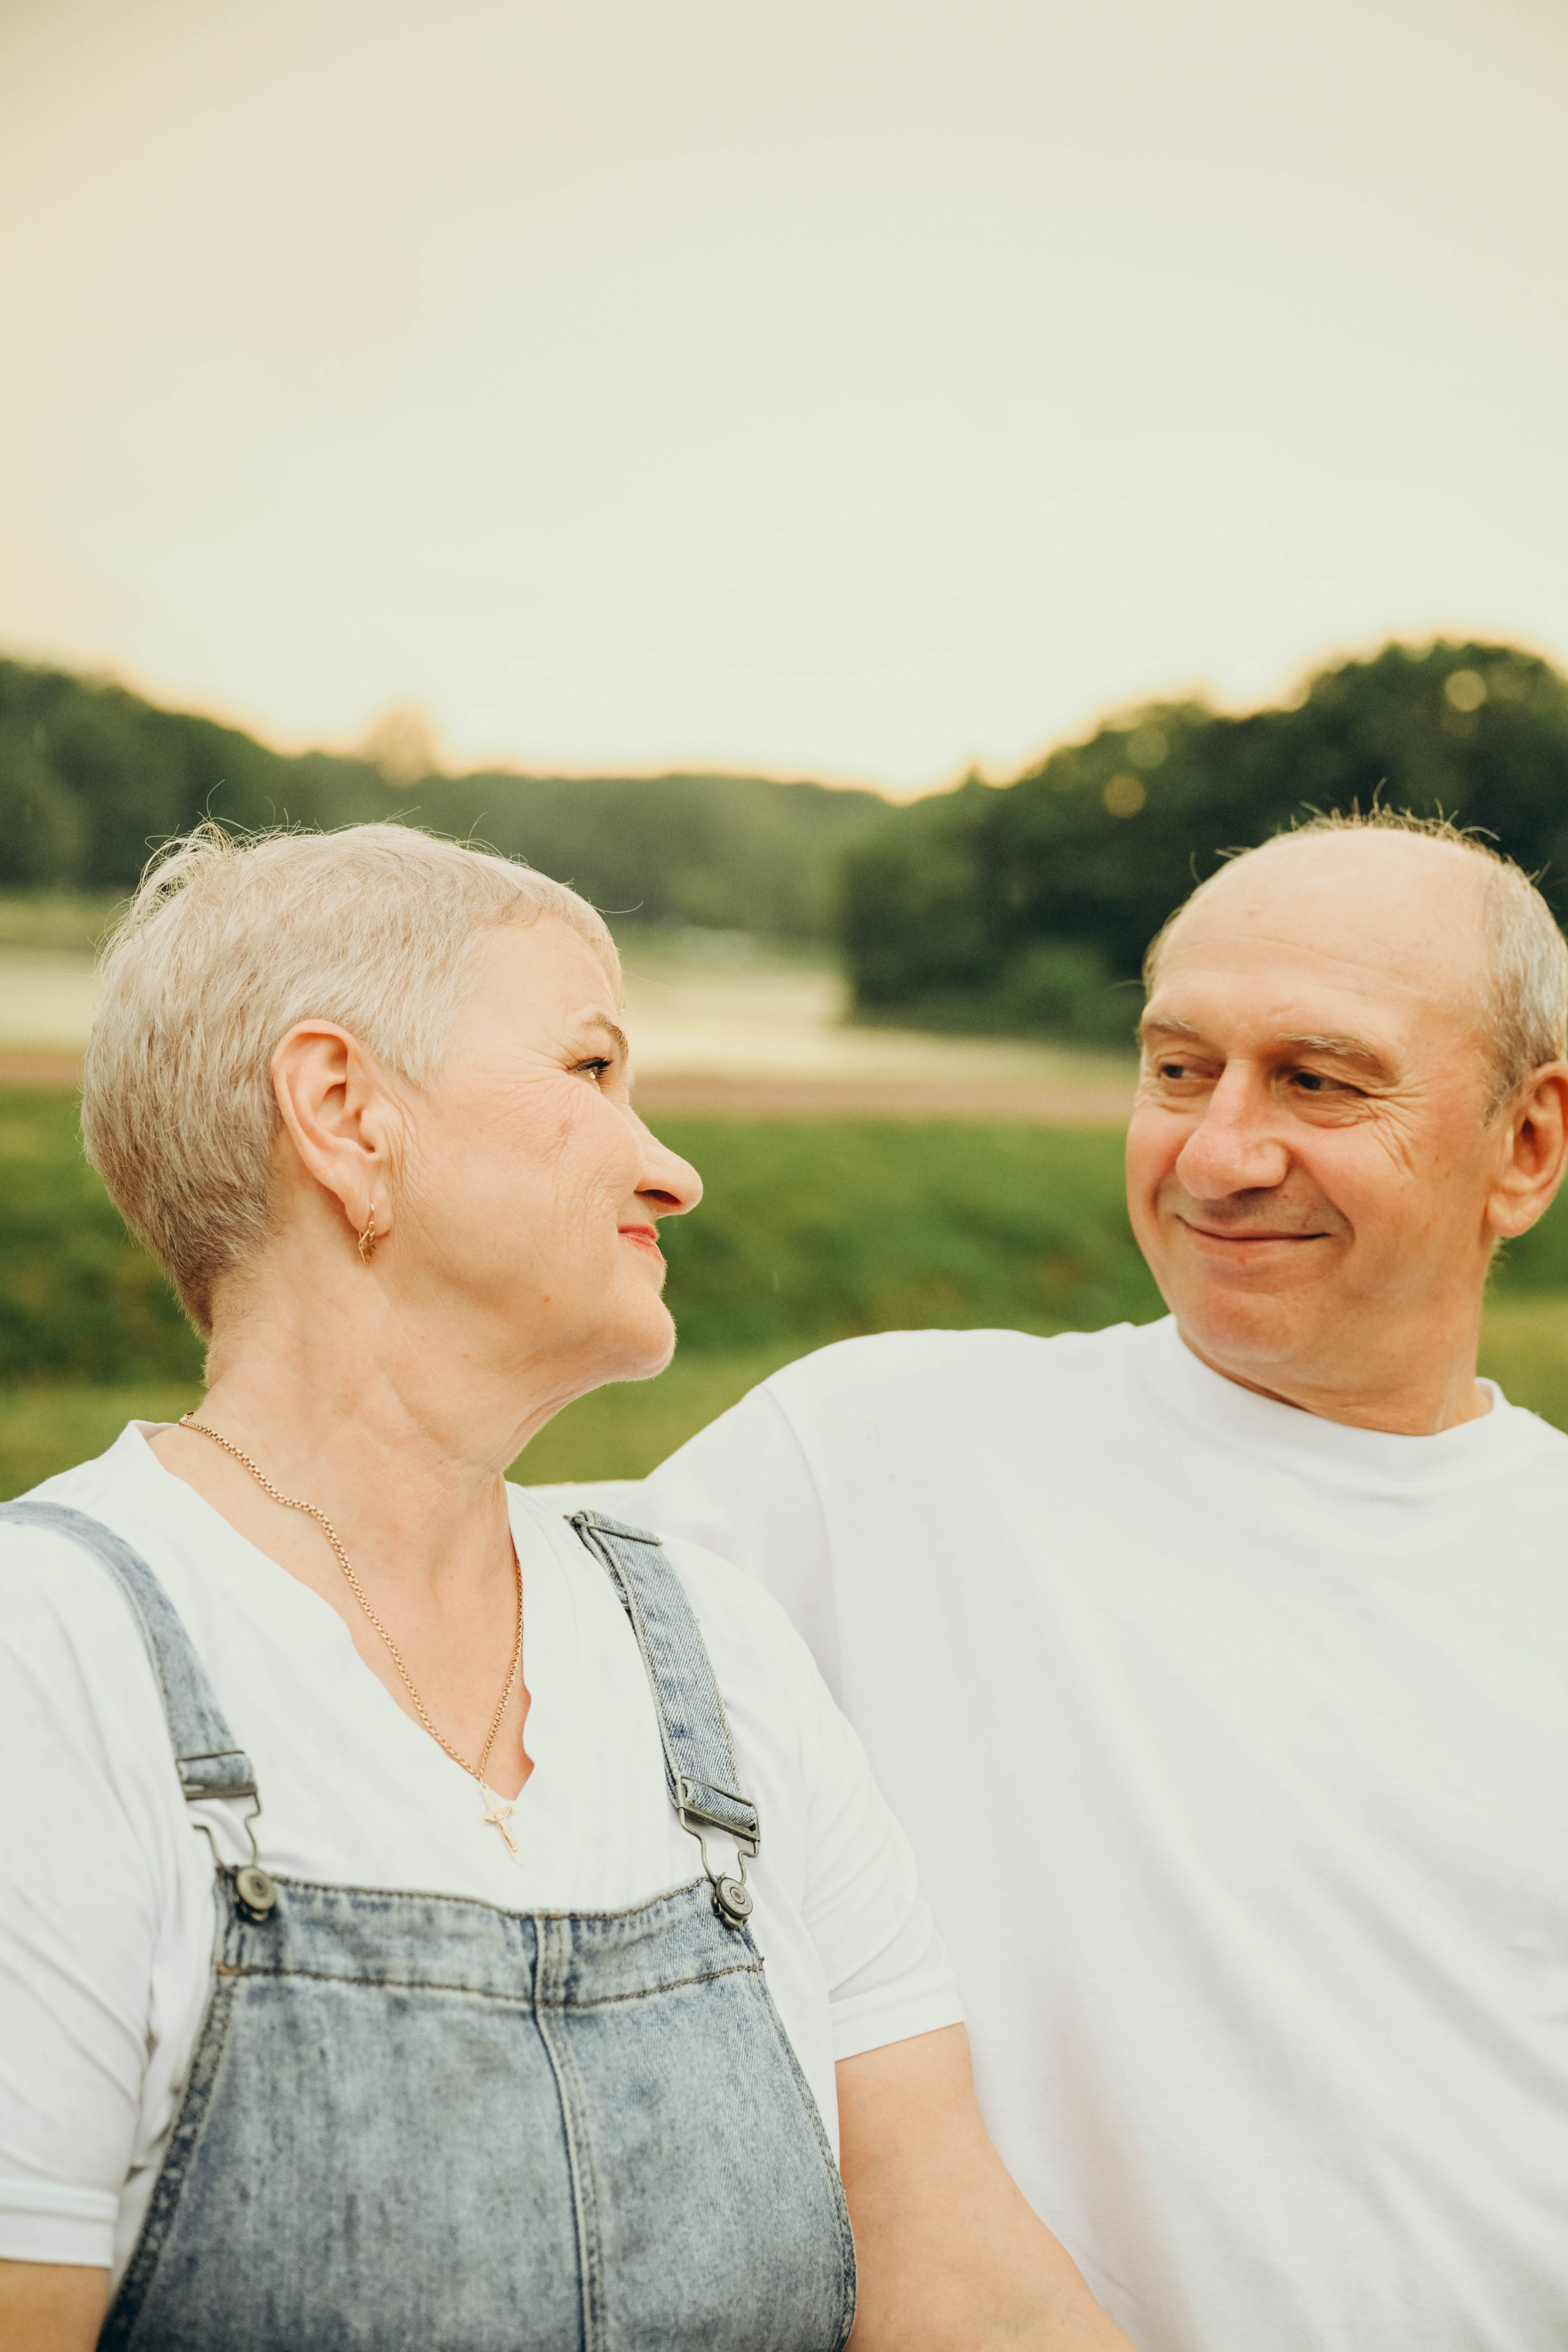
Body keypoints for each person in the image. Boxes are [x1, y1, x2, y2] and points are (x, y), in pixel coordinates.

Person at [0, 824, 1139, 2352]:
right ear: (346, 1114)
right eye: (592, 1070)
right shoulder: (53, 1661)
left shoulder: (719, 1657)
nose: (669, 1168)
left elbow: (955, 2272)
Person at [615, 812, 1568, 2352]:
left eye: (1315, 1080)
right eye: (1177, 1069)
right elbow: (432, 1658)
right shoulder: (874, 1453)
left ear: (1521, 1146)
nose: (1217, 1152)